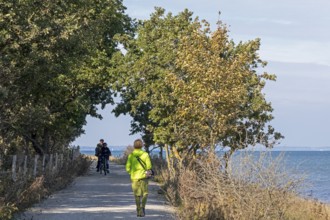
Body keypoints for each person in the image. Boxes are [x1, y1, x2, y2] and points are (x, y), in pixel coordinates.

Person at [126, 139, 152, 217]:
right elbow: (149, 166)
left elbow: (127, 167)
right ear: (142, 145)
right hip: (144, 177)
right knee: (145, 193)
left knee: (137, 195)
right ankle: (143, 207)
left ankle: (138, 210)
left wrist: (131, 173)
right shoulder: (145, 154)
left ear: (134, 145)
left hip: (134, 178)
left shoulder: (131, 155)